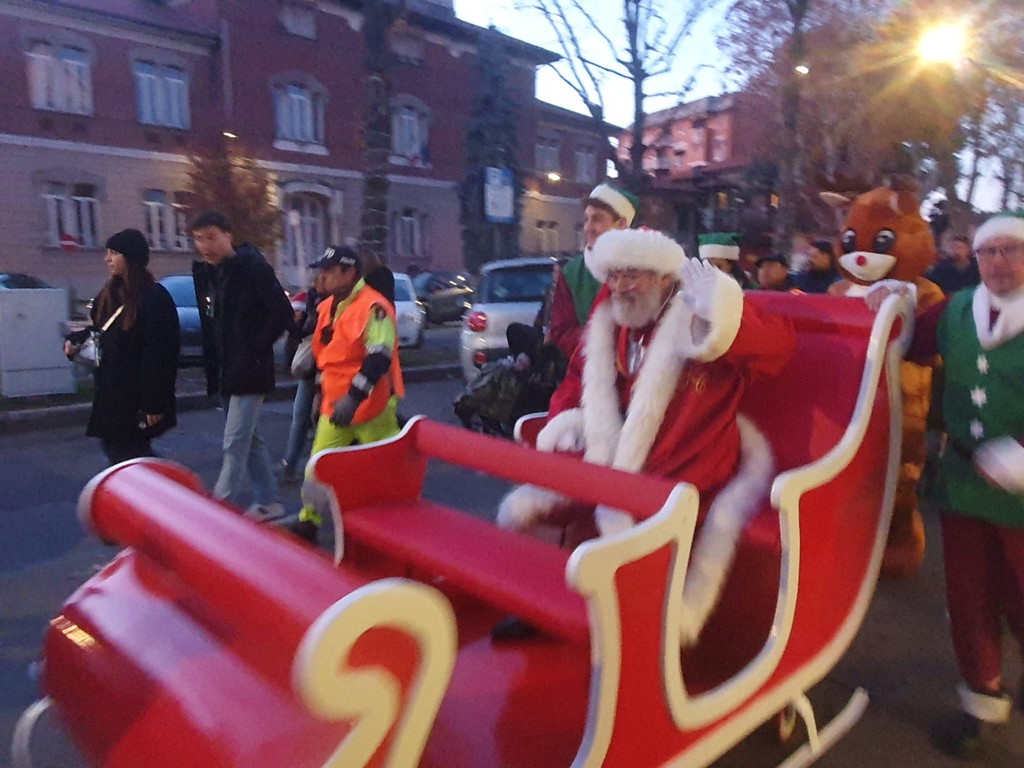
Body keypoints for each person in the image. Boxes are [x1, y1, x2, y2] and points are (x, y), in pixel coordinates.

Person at [496, 228, 796, 640]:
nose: (619, 286)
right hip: (622, 459)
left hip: (691, 463)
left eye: (632, 275)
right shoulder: (613, 320)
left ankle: (631, 631)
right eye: (614, 275)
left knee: (625, 513)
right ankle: (549, 601)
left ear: (664, 278)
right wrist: (564, 418)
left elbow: (780, 347)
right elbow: (577, 377)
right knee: (552, 497)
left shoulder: (698, 310)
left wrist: (726, 318)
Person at [867, 212, 1024, 758]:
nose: (998, 262)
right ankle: (982, 697)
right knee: (970, 596)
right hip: (962, 481)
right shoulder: (957, 309)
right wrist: (891, 298)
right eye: (988, 252)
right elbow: (905, 341)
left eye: (1010, 250)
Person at [289, 245, 405, 543]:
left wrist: (353, 397)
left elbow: (379, 357)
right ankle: (309, 521)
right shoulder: (327, 306)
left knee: (384, 468)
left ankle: (398, 523)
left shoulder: (374, 307)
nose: (322, 277)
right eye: (322, 270)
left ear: (350, 272)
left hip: (371, 404)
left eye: (328, 271)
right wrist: (322, 394)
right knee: (317, 465)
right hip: (335, 402)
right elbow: (327, 356)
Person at [190, 211, 294, 521]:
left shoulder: (253, 269)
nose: (204, 246)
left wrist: (256, 347)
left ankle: (217, 513)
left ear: (228, 236)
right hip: (224, 368)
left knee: (234, 442)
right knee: (250, 440)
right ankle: (269, 501)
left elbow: (282, 313)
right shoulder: (208, 274)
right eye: (198, 239)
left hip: (251, 369)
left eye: (211, 237)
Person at [64, 229, 179, 465]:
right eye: (107, 252)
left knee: (129, 456)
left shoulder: (154, 297)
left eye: (114, 253)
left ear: (131, 257)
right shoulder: (109, 293)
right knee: (123, 453)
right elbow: (100, 331)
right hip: (110, 392)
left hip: (136, 396)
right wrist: (75, 342)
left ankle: (169, 484)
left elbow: (161, 354)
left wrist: (154, 403)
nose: (107, 258)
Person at [546, 182, 638, 359]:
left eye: (597, 219)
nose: (588, 227)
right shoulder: (572, 273)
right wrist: (602, 342)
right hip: (588, 369)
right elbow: (561, 331)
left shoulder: (645, 269)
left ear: (622, 224)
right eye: (587, 219)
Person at [278, 272, 324, 485]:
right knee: (302, 416)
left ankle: (314, 467)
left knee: (315, 418)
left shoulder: (333, 301)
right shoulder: (312, 298)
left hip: (328, 369)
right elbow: (301, 332)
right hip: (313, 367)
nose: (318, 280)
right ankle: (292, 464)